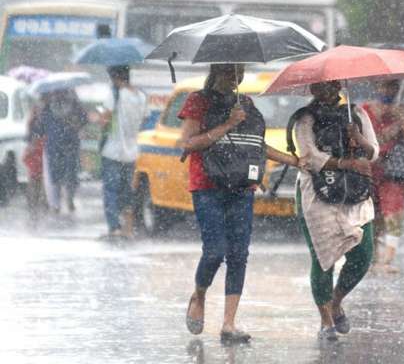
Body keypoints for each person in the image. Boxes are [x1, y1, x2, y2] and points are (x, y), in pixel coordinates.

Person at [178, 63, 300, 343]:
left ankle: (229, 324)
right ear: (216, 71)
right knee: (214, 251)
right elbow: (187, 143)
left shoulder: (246, 103)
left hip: (242, 186)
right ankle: (199, 295)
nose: (235, 78)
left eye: (239, 72)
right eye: (230, 72)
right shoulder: (198, 100)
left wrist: (292, 160)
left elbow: (256, 144)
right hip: (207, 186)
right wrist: (228, 124)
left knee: (238, 254)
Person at [295, 80, 378, 341]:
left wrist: (359, 138)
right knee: (324, 258)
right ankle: (325, 320)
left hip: (354, 192)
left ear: (340, 85)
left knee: (363, 255)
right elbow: (309, 156)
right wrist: (346, 163)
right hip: (317, 195)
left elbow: (373, 152)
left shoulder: (358, 113)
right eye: (320, 85)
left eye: (332, 84)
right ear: (312, 89)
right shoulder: (304, 119)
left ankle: (335, 300)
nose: (328, 90)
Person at [362, 79, 404, 272]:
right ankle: (374, 256)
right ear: (377, 87)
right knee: (372, 215)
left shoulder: (403, 111)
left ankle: (387, 261)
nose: (388, 90)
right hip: (370, 170)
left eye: (393, 86)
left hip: (395, 171)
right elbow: (363, 138)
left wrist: (400, 118)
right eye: (384, 85)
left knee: (394, 214)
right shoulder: (366, 110)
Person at [100, 65, 149, 238]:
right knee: (127, 190)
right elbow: (144, 119)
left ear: (115, 78)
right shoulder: (141, 96)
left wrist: (103, 120)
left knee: (111, 190)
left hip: (113, 151)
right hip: (131, 152)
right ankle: (128, 228)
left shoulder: (115, 94)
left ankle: (114, 227)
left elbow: (104, 119)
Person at [36, 88, 87, 214]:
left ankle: (66, 200)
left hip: (66, 145)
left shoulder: (74, 106)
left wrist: (77, 124)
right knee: (58, 175)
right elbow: (40, 128)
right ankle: (58, 203)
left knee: (69, 174)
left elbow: (84, 120)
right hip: (57, 146)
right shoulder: (48, 108)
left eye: (62, 91)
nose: (59, 94)